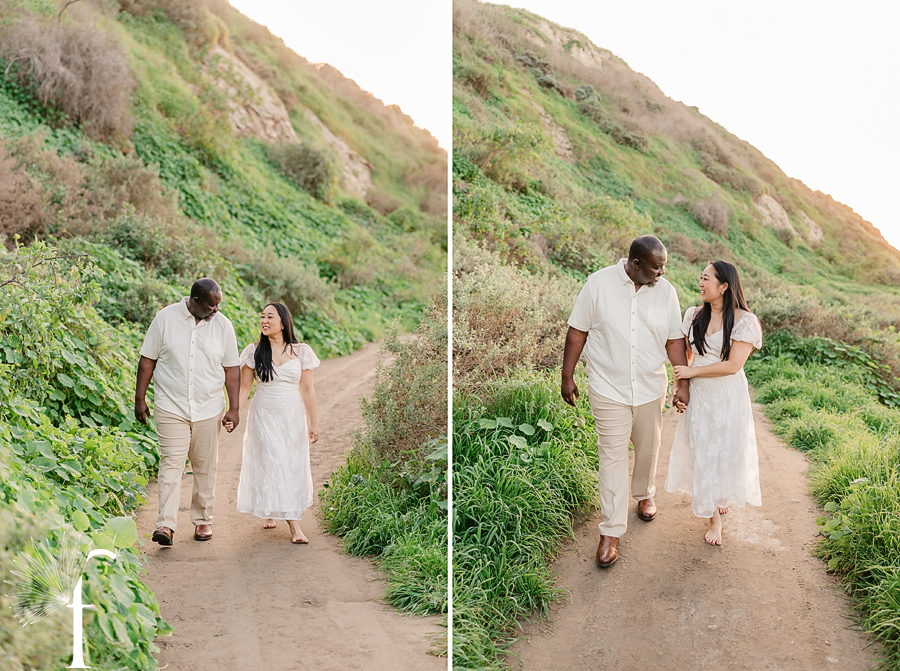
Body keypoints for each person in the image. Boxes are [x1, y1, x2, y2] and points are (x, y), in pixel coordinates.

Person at [562, 235, 690, 568]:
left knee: (649, 449)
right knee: (612, 456)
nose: (662, 273)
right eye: (656, 267)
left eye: (664, 266)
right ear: (636, 264)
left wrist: (682, 381)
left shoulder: (667, 292)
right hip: (608, 388)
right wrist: (567, 376)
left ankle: (644, 492)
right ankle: (611, 530)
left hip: (649, 386)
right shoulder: (598, 284)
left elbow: (674, 339)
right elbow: (578, 331)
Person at [135, 278, 241, 546]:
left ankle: (203, 519)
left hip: (208, 407)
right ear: (195, 302)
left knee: (205, 466)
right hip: (171, 405)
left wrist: (234, 407)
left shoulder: (223, 325)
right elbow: (148, 359)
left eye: (219, 304)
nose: (216, 310)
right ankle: (165, 526)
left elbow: (231, 368)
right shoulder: (165, 318)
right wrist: (140, 399)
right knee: (171, 463)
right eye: (211, 305)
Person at [665, 260, 763, 546]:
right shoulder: (694, 315)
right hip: (702, 396)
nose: (700, 283)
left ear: (724, 286)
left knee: (726, 447)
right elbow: (686, 354)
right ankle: (714, 521)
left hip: (728, 394)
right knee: (703, 450)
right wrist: (680, 386)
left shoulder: (745, 321)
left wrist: (692, 372)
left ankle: (721, 495)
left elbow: (733, 365)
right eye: (700, 277)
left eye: (706, 279)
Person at [225, 302, 320, 544]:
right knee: (270, 459)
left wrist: (313, 422)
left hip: (291, 415)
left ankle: (271, 510)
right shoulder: (254, 351)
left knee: (289, 461)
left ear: (283, 321)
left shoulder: (302, 352)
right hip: (264, 413)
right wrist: (233, 412)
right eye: (262, 317)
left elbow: (307, 389)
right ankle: (294, 525)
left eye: (270, 317)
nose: (264, 321)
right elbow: (245, 386)